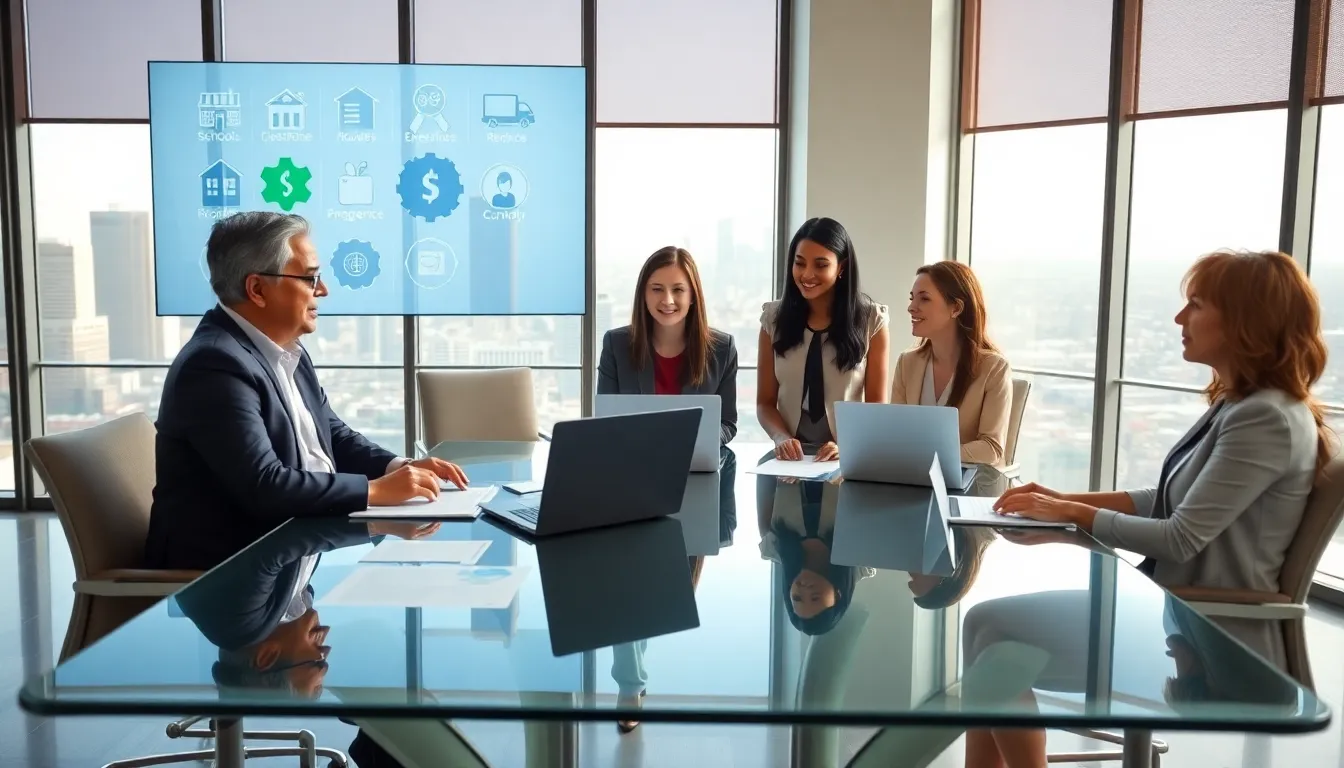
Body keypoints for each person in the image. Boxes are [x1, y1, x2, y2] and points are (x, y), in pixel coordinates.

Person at [971, 250, 1333, 768]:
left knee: (995, 643)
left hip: (1208, 634)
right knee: (984, 625)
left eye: (1195, 305)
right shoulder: (1241, 405)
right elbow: (1165, 498)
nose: (1179, 319)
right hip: (1179, 611)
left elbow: (1179, 537)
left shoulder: (1266, 419)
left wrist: (1072, 515)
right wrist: (1058, 503)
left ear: (1244, 321)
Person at [146, 212, 470, 571]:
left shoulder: (284, 349)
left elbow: (330, 433)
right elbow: (264, 485)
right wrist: (375, 491)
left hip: (296, 547)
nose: (323, 290)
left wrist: (399, 467)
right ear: (257, 289)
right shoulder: (213, 364)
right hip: (228, 574)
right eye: (310, 277)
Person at [758, 217, 889, 462]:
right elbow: (765, 403)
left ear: (841, 267)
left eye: (821, 265)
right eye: (799, 263)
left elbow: (876, 407)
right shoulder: (772, 319)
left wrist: (848, 444)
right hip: (789, 461)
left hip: (845, 458)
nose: (807, 274)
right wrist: (781, 437)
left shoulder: (872, 320)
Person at [598, 246, 738, 444]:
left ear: (692, 297)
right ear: (643, 294)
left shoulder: (723, 349)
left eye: (678, 290)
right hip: (632, 462)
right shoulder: (616, 345)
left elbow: (727, 423)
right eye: (657, 289)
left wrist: (701, 442)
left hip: (694, 463)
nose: (667, 300)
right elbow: (604, 420)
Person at [891, 261, 1012, 467]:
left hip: (967, 487)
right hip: (912, 479)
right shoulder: (907, 363)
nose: (911, 307)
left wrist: (927, 453)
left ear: (956, 308)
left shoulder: (993, 368)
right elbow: (895, 432)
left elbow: (991, 448)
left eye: (924, 299)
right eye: (912, 299)